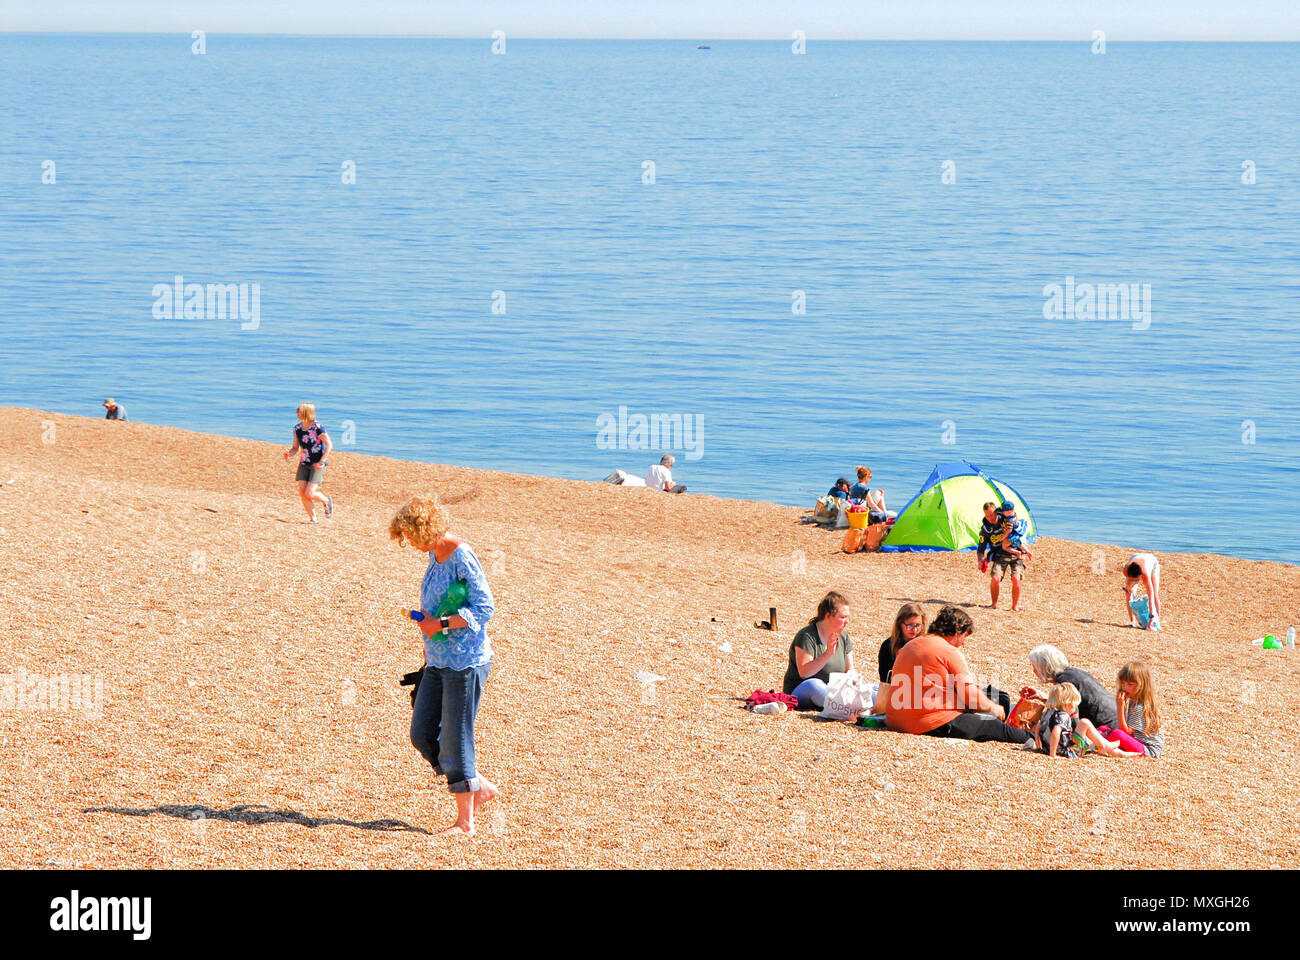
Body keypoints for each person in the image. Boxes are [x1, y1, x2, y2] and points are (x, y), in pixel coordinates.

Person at [390, 494, 499, 834]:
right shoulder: (435, 555)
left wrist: (442, 625)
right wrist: (429, 633)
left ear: (426, 529)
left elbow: (484, 608)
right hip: (438, 660)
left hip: (465, 663)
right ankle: (476, 783)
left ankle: (466, 822)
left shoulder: (460, 555)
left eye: (410, 537)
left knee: (455, 738)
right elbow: (443, 603)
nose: (409, 543)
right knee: (422, 733)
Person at [884, 605, 1030, 743]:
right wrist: (993, 708)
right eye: (964, 636)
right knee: (996, 727)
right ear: (957, 632)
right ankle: (1038, 739)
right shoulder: (949, 651)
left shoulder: (913, 644)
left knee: (998, 697)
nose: (963, 643)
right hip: (926, 722)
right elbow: (970, 696)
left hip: (896, 719)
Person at [782, 591, 855, 710]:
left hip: (833, 689)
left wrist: (853, 679)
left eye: (847, 617)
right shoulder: (807, 636)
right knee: (814, 684)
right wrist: (828, 653)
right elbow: (805, 673)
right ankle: (846, 707)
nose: (847, 621)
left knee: (872, 687)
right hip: (801, 690)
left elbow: (850, 669)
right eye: (842, 617)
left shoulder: (843, 637)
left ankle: (878, 708)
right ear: (828, 616)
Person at [1019, 644, 1119, 730]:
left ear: (1045, 668)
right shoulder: (1074, 673)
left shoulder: (1064, 683)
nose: (1034, 671)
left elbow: (1068, 717)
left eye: (1035, 667)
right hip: (1116, 718)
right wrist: (1041, 696)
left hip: (1105, 727)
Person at [1034, 683, 1133, 758]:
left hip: (1049, 749)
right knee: (1085, 722)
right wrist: (1052, 754)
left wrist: (1040, 748)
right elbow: (1056, 731)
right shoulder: (1062, 715)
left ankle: (1109, 748)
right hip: (1069, 753)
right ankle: (1106, 747)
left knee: (1092, 736)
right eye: (1075, 705)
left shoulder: (1047, 713)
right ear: (1069, 704)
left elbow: (1038, 727)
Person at [1100, 661, 1165, 758]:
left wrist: (1120, 707)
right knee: (1103, 728)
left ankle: (1100, 744)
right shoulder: (1133, 702)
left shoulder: (1140, 707)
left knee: (1117, 734)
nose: (1124, 687)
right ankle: (1101, 742)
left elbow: (1124, 731)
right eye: (1122, 683)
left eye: (1130, 684)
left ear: (1141, 686)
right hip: (1137, 742)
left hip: (1148, 750)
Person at [282, 402, 333, 523]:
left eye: (298, 410)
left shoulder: (317, 427)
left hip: (317, 464)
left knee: (309, 493)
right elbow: (295, 447)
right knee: (302, 493)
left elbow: (329, 444)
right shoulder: (297, 429)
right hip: (304, 463)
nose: (297, 412)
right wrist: (290, 453)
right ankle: (313, 519)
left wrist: (322, 461)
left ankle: (326, 501)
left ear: (305, 412)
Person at [977, 500, 1026, 611]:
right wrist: (980, 560)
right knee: (995, 578)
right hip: (1000, 554)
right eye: (988, 515)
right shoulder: (985, 529)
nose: (991, 517)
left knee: (1016, 578)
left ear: (997, 512)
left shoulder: (1005, 518)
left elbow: (1015, 520)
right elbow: (981, 548)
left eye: (992, 514)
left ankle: (1015, 606)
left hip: (1016, 552)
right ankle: (993, 604)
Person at [877, 602, 927, 683]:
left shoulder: (926, 646)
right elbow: (884, 679)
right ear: (900, 624)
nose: (914, 630)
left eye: (918, 625)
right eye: (910, 625)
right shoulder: (888, 646)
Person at [1123, 553, 1163, 629]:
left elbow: (1150, 597)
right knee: (1128, 594)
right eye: (1133, 580)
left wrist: (1151, 617)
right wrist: (1129, 590)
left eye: (1137, 580)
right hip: (1135, 557)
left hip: (1152, 561)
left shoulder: (1145, 574)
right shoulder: (1125, 571)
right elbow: (1128, 589)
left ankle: (1156, 621)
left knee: (1154, 594)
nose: (1136, 582)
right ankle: (1132, 622)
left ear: (1140, 576)